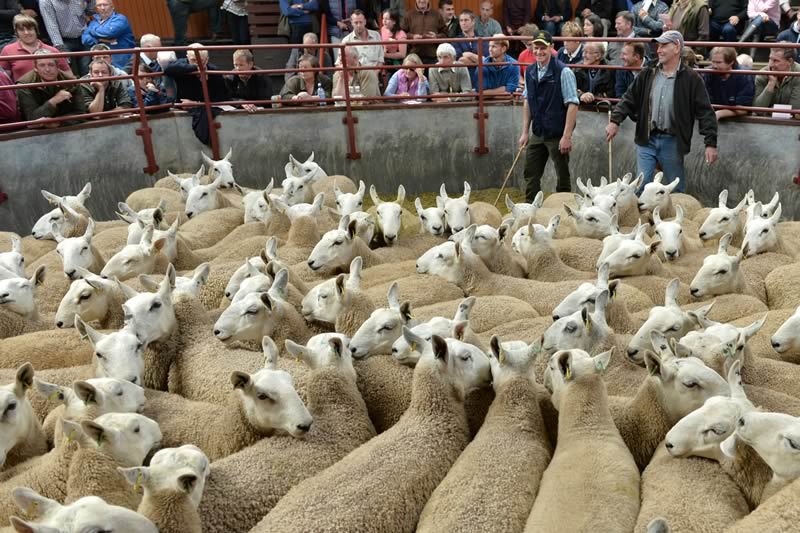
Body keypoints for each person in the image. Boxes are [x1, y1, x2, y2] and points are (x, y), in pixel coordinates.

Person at [606, 31, 719, 192]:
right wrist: (615, 121)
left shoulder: (692, 79)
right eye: (658, 46)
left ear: (677, 47)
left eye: (664, 45)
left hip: (672, 140)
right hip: (647, 138)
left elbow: (705, 112)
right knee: (641, 186)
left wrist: (710, 143)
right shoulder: (648, 73)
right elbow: (629, 98)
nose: (659, 50)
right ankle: (639, 217)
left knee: (675, 189)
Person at [518, 30, 579, 200]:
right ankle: (531, 207)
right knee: (531, 172)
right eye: (535, 47)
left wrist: (567, 136)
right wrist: (525, 132)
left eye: (543, 48)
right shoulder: (530, 72)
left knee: (562, 173)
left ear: (551, 48)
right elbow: (527, 101)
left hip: (557, 132)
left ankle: (564, 204)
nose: (539, 52)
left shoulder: (564, 72)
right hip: (538, 131)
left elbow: (572, 104)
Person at [163, 43, 229, 145]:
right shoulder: (181, 65)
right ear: (187, 57)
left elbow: (219, 98)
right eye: (194, 60)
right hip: (182, 106)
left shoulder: (214, 72)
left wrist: (206, 81)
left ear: (207, 59)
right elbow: (168, 69)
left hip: (201, 105)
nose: (197, 63)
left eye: (201, 61)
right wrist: (194, 68)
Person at [17, 49, 87, 126]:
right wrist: (53, 102)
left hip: (66, 129)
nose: (47, 69)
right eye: (42, 65)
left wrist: (59, 122)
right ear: (35, 68)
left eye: (51, 65)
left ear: (57, 66)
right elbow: (31, 118)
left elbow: (81, 113)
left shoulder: (71, 82)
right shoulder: (24, 85)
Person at [0, 14, 71, 82]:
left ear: (36, 30)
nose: (26, 33)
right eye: (22, 30)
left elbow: (69, 76)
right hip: (22, 93)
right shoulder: (7, 50)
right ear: (16, 33)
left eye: (30, 29)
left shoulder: (53, 50)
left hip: (50, 91)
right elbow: (4, 80)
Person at [39, 0, 91, 76]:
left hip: (84, 37)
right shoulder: (46, 1)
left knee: (87, 71)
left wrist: (90, 2)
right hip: (64, 41)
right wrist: (60, 47)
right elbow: (51, 25)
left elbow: (91, 11)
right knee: (69, 72)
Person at [81, 0, 134, 70]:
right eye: (99, 5)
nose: (102, 8)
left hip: (121, 62)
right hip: (102, 65)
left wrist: (92, 30)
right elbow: (85, 40)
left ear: (112, 7)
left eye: (105, 5)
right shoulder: (93, 22)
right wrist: (100, 39)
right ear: (96, 8)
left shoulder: (120, 19)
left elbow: (109, 33)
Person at [705, 46, 754, 119]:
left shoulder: (744, 75)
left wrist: (719, 114)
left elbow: (743, 109)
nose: (714, 66)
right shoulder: (708, 73)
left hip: (738, 122)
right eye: (713, 61)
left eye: (719, 62)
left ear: (731, 62)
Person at [753, 47, 800, 118]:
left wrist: (770, 110)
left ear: (790, 61)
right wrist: (771, 84)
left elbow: (794, 109)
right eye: (770, 59)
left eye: (776, 61)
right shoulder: (762, 74)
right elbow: (758, 110)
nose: (771, 65)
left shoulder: (798, 73)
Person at [342, 10, 383, 87]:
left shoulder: (376, 35)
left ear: (365, 22)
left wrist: (374, 75)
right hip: (356, 77)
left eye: (361, 22)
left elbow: (380, 59)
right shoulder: (346, 40)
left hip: (374, 75)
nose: (358, 25)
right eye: (356, 23)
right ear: (351, 23)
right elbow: (340, 63)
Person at [401, 0, 447, 64]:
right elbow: (401, 34)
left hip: (433, 57)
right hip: (414, 57)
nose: (422, 1)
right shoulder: (409, 15)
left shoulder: (437, 15)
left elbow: (445, 34)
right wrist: (412, 37)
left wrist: (436, 37)